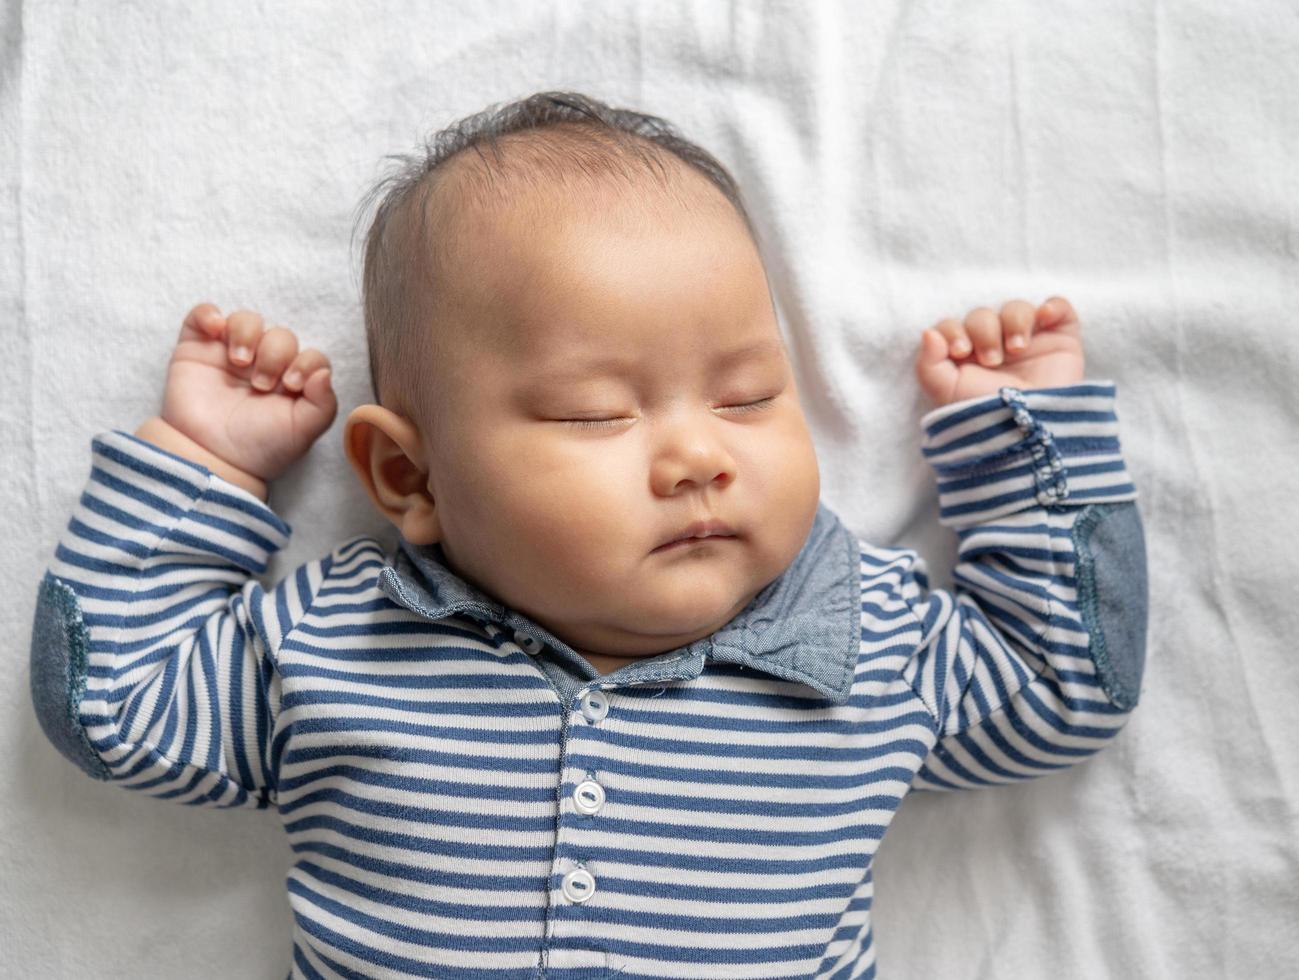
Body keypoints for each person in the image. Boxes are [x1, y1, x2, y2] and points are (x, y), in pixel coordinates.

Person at [28, 90, 1148, 980]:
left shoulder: (863, 635)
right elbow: (114, 703)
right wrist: (210, 460)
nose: (698, 454)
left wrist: (1019, 440)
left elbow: (1065, 681)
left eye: (752, 395)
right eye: (594, 414)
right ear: (409, 475)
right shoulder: (339, 638)